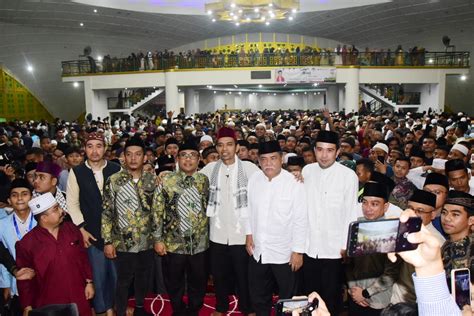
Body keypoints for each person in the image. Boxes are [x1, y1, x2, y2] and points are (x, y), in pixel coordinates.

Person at [243, 140, 307, 315]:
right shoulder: (254, 179)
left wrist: (298, 251)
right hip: (259, 250)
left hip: (284, 253)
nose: (268, 163)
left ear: (281, 159)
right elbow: (248, 210)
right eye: (263, 159)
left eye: (273, 158)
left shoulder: (294, 183)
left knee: (288, 299)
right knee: (257, 294)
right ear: (259, 161)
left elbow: (301, 219)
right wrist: (249, 234)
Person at [200, 127, 259, 316]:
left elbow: (269, 184)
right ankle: (221, 307)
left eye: (229, 145)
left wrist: (296, 176)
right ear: (216, 147)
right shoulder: (209, 170)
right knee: (219, 276)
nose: (224, 149)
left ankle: (247, 308)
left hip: (242, 234)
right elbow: (191, 183)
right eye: (221, 145)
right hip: (217, 234)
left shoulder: (250, 169)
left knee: (244, 276)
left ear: (237, 147)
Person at [302, 130, 358, 315]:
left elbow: (351, 213)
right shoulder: (307, 171)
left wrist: (346, 246)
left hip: (334, 249)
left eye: (329, 150)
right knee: (308, 296)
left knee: (331, 296)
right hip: (309, 247)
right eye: (319, 149)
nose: (324, 155)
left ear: (338, 151)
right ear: (314, 150)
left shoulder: (348, 176)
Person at [66, 132, 120, 316]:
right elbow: (72, 204)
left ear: (105, 148)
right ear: (85, 150)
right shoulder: (77, 172)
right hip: (91, 232)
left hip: (116, 232)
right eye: (90, 146)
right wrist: (81, 229)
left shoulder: (116, 168)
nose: (94, 151)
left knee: (116, 273)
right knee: (97, 274)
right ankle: (102, 309)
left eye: (98, 146)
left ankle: (114, 307)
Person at [153, 141, 210, 316]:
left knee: (199, 281)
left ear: (199, 159)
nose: (188, 159)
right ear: (177, 158)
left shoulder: (204, 180)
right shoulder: (166, 180)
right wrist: (157, 239)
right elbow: (157, 210)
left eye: (192, 155)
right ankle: (178, 310)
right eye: (184, 155)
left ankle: (194, 310)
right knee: (174, 281)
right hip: (173, 243)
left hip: (199, 244)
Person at [101, 137, 156, 316]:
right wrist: (108, 241)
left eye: (138, 154)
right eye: (129, 154)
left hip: (147, 240)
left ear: (144, 158)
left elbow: (157, 212)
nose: (133, 158)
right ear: (123, 157)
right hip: (122, 241)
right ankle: (122, 312)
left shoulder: (152, 180)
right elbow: (107, 212)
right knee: (123, 280)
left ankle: (140, 308)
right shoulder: (114, 181)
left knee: (143, 276)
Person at [16, 193, 94, 316]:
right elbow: (25, 279)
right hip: (49, 303)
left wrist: (89, 282)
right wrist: (27, 305)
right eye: (56, 209)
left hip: (78, 295)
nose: (62, 211)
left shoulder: (71, 229)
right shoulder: (27, 243)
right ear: (44, 218)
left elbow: (83, 258)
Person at [346, 182, 400, 316]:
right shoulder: (356, 226)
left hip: (378, 301)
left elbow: (391, 274)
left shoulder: (392, 231)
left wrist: (365, 293)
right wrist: (353, 289)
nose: (368, 208)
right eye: (365, 202)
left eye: (374, 204)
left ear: (385, 206)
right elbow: (348, 262)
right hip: (354, 295)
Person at [390, 189, 443, 305]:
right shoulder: (406, 230)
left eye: (420, 211)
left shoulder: (435, 242)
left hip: (414, 305)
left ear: (433, 214)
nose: (413, 214)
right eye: (410, 208)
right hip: (396, 298)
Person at [0, 179, 36, 315]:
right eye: (14, 195)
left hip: (44, 281)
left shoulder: (42, 220)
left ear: (31, 198)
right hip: (17, 280)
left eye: (24, 194)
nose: (19, 198)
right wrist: (6, 284)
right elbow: (3, 256)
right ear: (9, 200)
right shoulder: (2, 225)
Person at [440, 190, 474, 285]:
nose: (447, 218)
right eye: (444, 212)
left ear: (471, 220)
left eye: (455, 214)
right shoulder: (447, 244)